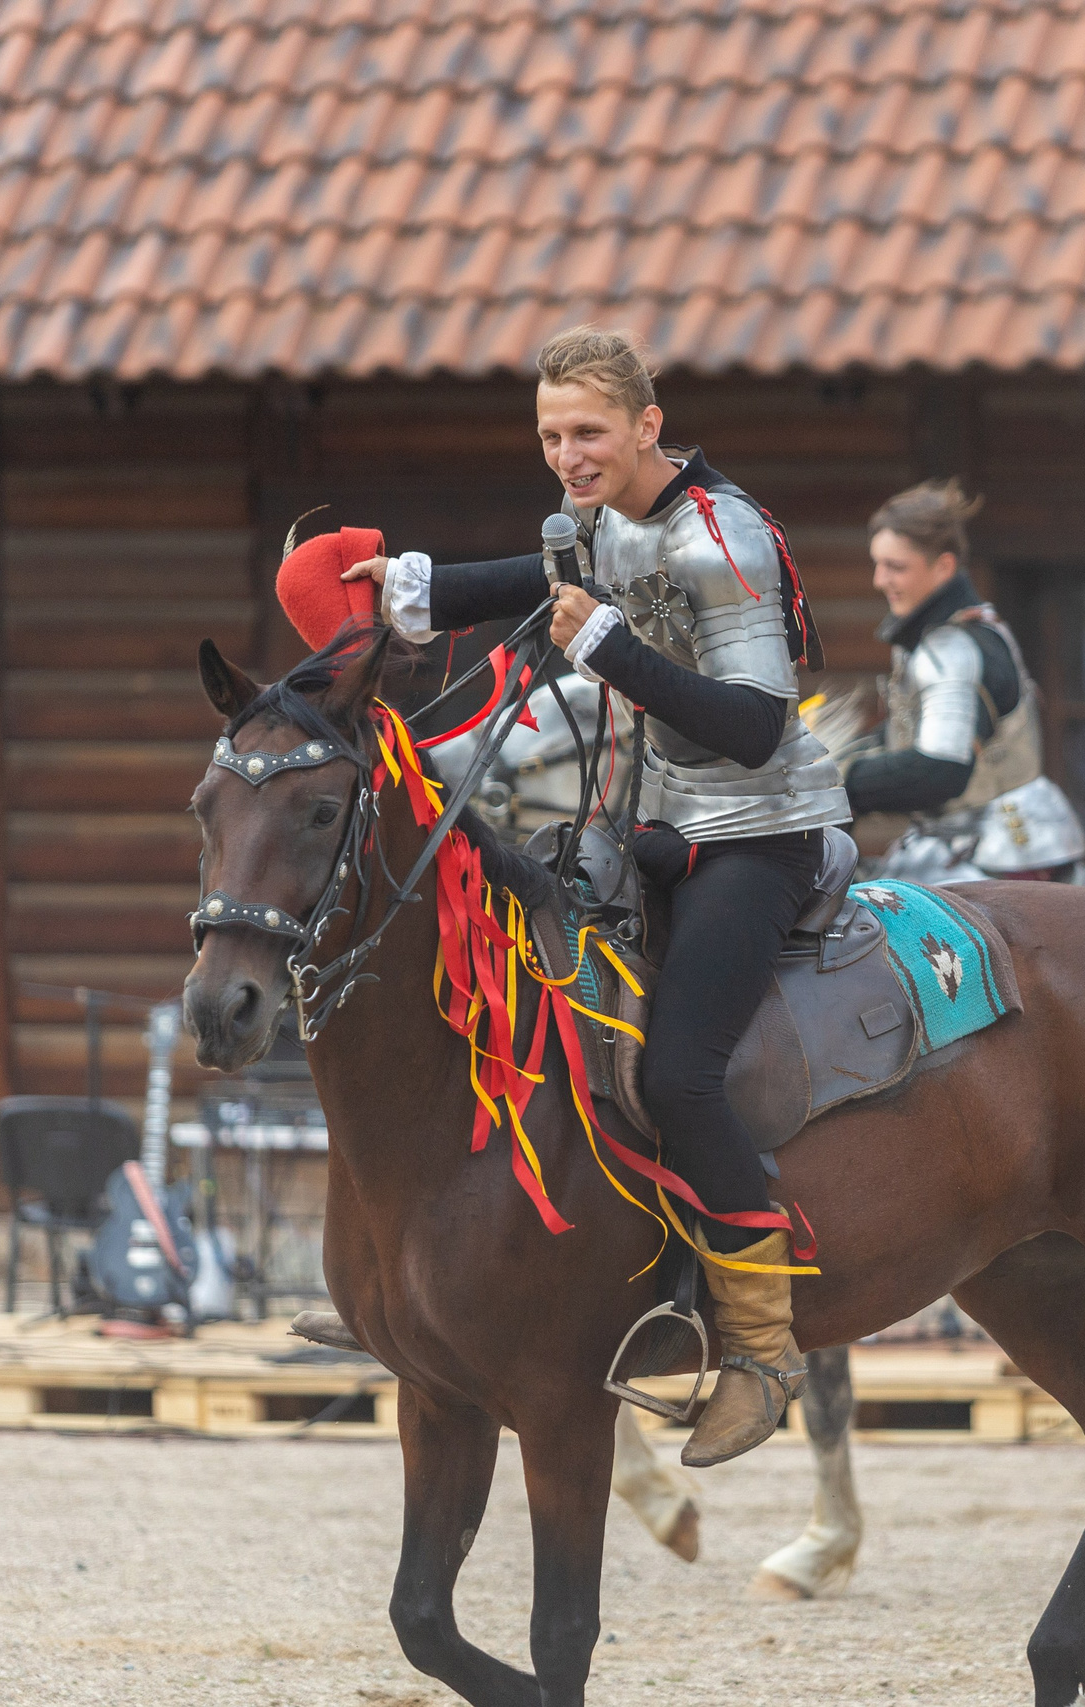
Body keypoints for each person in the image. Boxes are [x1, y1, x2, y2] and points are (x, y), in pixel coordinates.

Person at [342, 327, 845, 1467]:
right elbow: (536, 581)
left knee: (676, 1068)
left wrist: (609, 648)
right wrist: (402, 591)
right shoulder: (609, 523)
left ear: (647, 428)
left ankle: (763, 1348)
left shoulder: (729, 537)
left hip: (765, 837)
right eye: (549, 436)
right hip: (662, 828)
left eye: (589, 433)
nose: (568, 455)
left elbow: (761, 729)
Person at [844, 479, 1085, 881]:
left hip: (1001, 854)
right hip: (957, 843)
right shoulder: (937, 641)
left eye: (896, 567)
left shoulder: (954, 649)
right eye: (878, 563)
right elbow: (911, 740)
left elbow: (940, 769)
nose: (879, 580)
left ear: (943, 566)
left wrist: (845, 781)